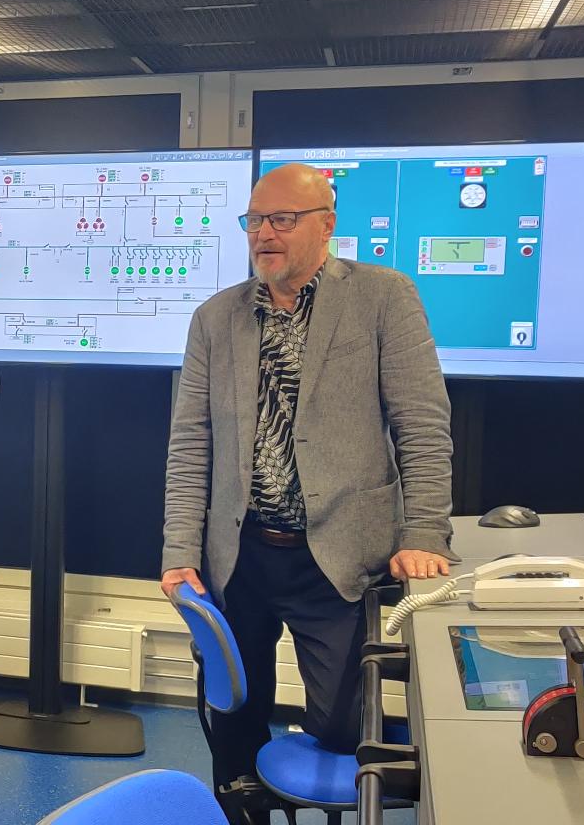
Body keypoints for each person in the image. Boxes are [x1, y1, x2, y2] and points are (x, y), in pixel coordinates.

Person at [160, 162, 456, 799]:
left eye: (282, 220)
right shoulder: (216, 318)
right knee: (235, 723)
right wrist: (180, 552)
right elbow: (191, 444)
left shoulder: (383, 296)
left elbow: (422, 427)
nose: (265, 233)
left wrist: (427, 533)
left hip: (341, 558)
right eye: (255, 221)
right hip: (238, 556)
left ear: (326, 226)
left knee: (342, 727)